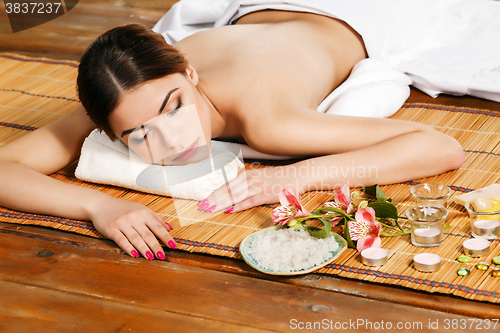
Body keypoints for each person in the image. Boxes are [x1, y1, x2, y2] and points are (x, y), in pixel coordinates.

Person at [0, 8, 465, 260]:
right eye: (140, 134)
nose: (173, 140)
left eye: (175, 106)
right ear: (110, 130)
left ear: (190, 73)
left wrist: (291, 178)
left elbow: (440, 147)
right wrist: (98, 205)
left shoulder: (269, 122)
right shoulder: (124, 96)